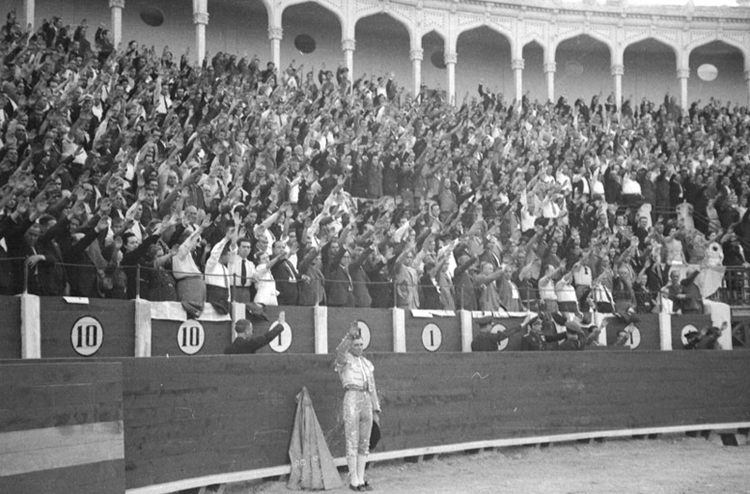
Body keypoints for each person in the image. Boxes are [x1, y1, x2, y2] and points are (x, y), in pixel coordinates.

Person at [335, 321, 381, 492]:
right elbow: (339, 351)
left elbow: (373, 387)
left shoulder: (367, 364)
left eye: (361, 344)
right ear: (351, 346)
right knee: (352, 440)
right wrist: (349, 337)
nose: (360, 347)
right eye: (356, 345)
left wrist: (376, 410)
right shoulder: (345, 359)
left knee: (364, 442)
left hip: (366, 400)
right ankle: (353, 480)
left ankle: (361, 479)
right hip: (352, 397)